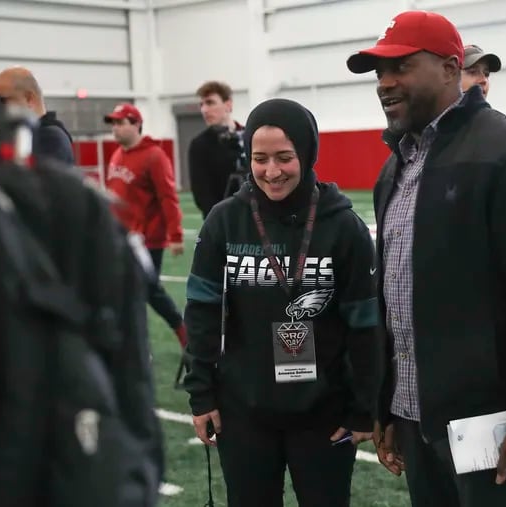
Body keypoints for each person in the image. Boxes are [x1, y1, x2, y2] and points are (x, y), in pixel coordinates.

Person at [346, 10, 506, 507]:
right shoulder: (396, 165)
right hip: (413, 416)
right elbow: (395, 295)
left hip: (486, 422)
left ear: (451, 69)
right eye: (378, 73)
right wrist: (385, 405)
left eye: (400, 67)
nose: (385, 83)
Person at [183, 98, 380, 507]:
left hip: (325, 415)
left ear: (307, 154)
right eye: (260, 158)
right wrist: (201, 394)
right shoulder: (225, 220)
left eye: (284, 157)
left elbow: (365, 323)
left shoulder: (344, 227)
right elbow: (202, 312)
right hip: (243, 414)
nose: (271, 171)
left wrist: (363, 406)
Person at [103, 102, 188, 350]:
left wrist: (175, 234)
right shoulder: (118, 154)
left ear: (136, 124)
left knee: (144, 291)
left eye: (120, 123)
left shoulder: (154, 156)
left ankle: (179, 334)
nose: (115, 129)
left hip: (147, 239)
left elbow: (167, 197)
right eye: (113, 124)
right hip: (121, 238)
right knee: (138, 292)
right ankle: (147, 342)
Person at [0, 67, 74, 165]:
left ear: (29, 98)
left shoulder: (51, 137)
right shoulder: (21, 134)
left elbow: (17, 176)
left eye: (3, 101)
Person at [188, 81, 247, 219]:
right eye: (201, 104)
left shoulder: (250, 136)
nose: (204, 110)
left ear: (228, 104)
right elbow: (202, 195)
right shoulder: (199, 145)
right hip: (221, 223)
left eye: (210, 103)